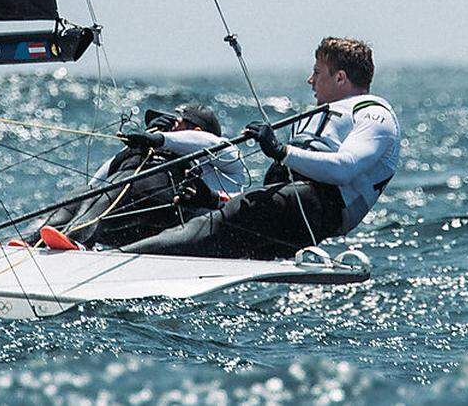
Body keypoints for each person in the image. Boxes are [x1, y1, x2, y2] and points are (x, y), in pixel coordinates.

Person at [122, 37, 401, 260]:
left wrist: (281, 151)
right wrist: (214, 198)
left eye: (317, 72)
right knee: (197, 212)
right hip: (288, 205)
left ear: (340, 78)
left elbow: (346, 168)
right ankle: (107, 251)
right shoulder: (318, 114)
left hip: (320, 207)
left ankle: (118, 258)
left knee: (222, 224)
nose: (310, 80)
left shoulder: (374, 114)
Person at [30, 103, 245, 249]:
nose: (169, 126)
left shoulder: (224, 158)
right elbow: (96, 184)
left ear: (197, 130)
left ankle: (73, 241)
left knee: (116, 189)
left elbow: (210, 143)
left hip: (179, 224)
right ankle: (31, 242)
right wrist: (144, 143)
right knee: (83, 194)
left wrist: (160, 139)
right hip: (140, 220)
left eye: (175, 122)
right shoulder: (159, 150)